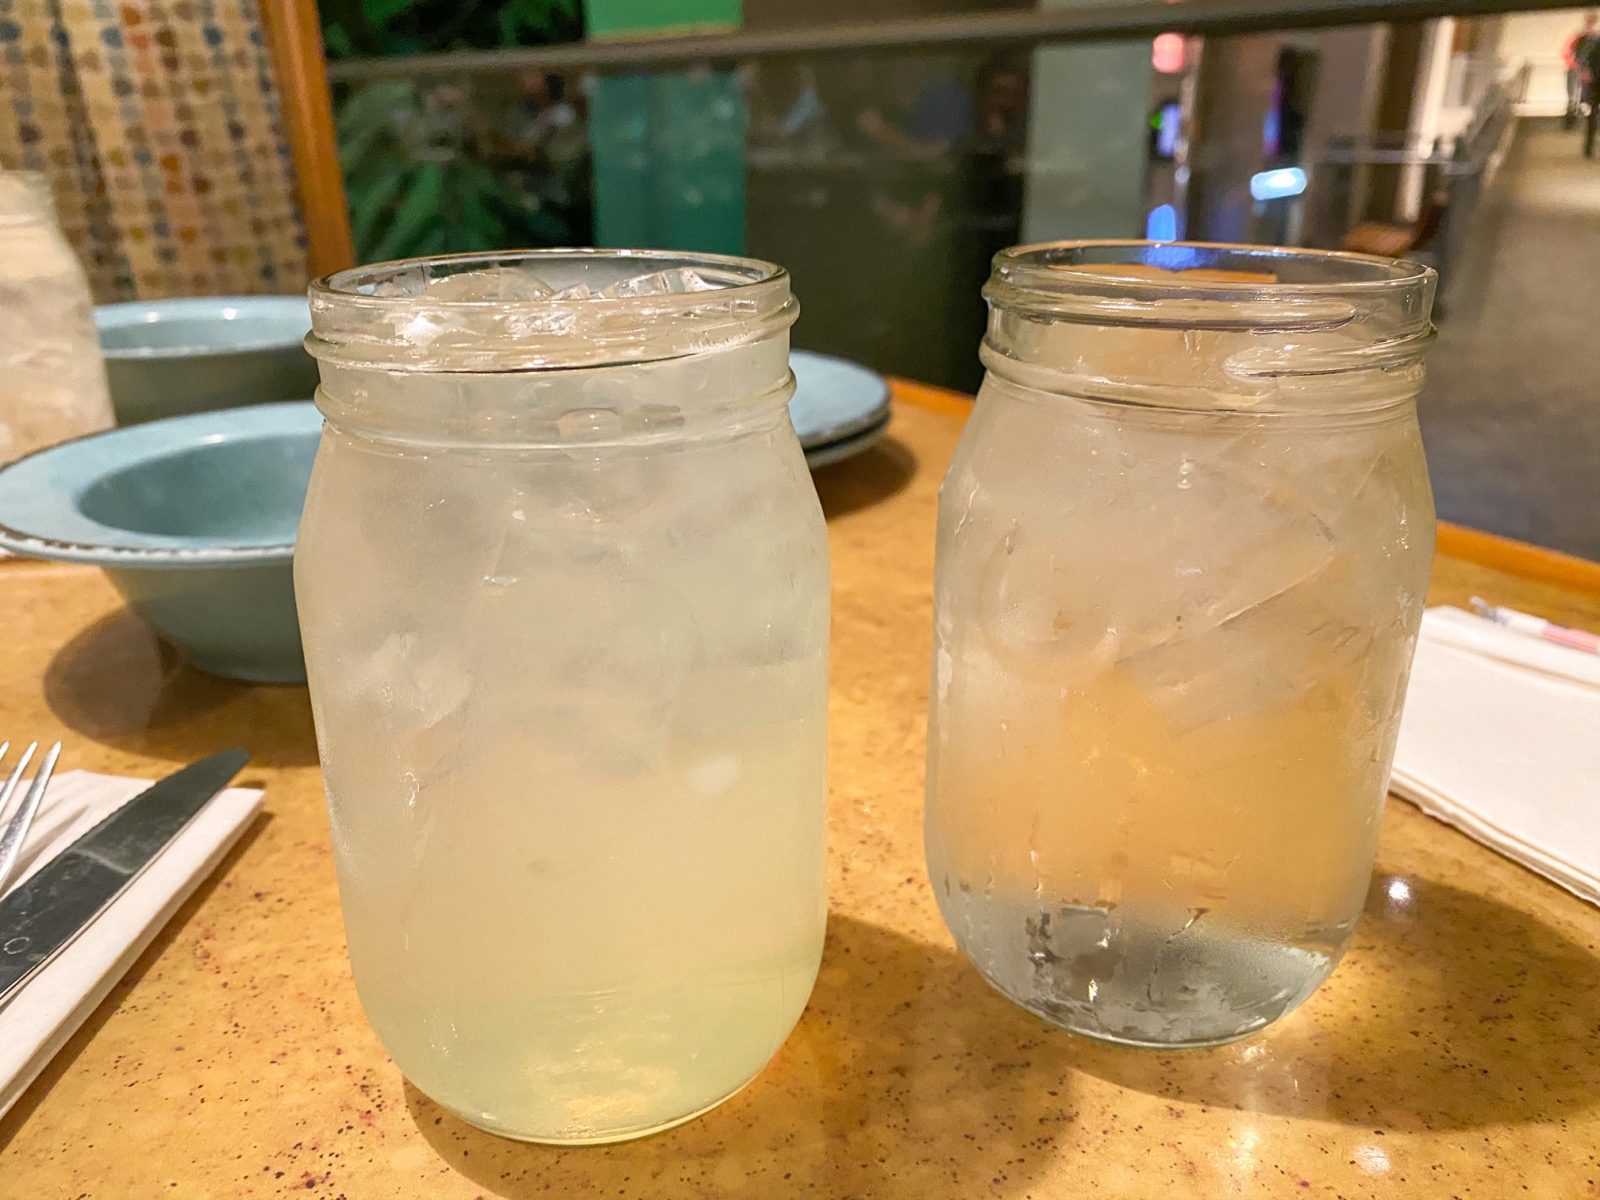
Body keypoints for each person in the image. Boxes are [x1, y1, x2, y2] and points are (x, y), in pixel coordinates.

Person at [1568, 12, 1600, 131]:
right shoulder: (1581, 38)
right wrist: (1580, 69)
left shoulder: (1595, 39)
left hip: (1594, 75)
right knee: (1581, 98)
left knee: (1590, 102)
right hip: (1586, 74)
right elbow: (1575, 55)